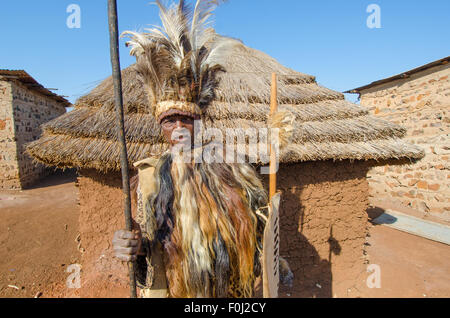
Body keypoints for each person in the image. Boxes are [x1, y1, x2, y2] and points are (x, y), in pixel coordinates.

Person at [112, 0, 292, 298]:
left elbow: (260, 226)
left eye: (187, 118)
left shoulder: (232, 166)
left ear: (199, 119)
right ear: (160, 126)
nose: (180, 128)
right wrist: (134, 246)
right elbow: (150, 244)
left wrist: (275, 261)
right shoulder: (150, 179)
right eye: (170, 120)